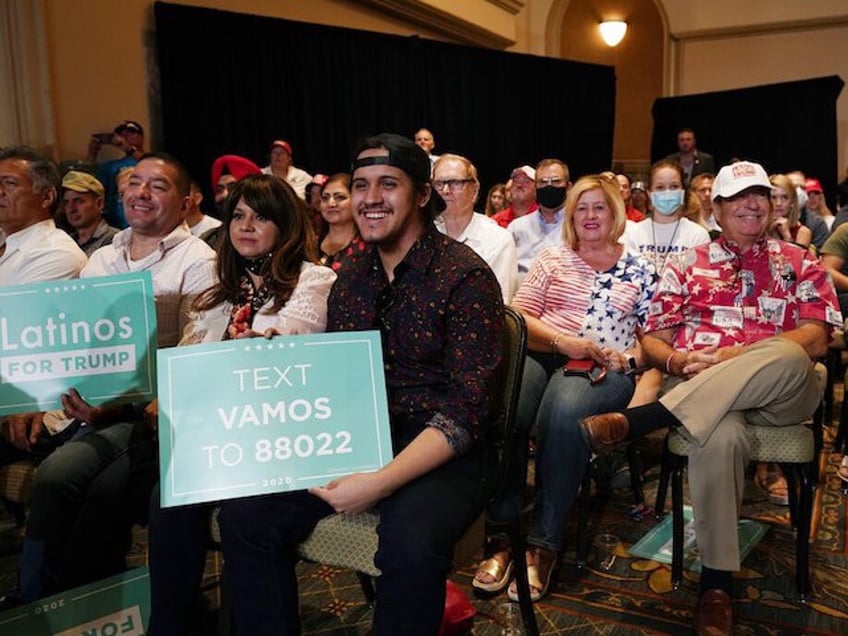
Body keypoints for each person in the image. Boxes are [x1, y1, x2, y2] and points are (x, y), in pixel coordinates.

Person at [217, 132, 505, 635]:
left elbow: (467, 413)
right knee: (247, 516)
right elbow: (335, 381)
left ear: (421, 194)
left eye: (388, 184)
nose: (371, 198)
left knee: (409, 545)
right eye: (362, 185)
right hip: (357, 435)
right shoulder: (350, 276)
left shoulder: (465, 277)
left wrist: (378, 481)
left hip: (445, 450)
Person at [581, 160, 841, 636]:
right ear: (716, 208)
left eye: (759, 194)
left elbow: (818, 337)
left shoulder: (800, 261)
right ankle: (716, 586)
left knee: (786, 353)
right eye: (738, 197)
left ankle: (644, 419)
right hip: (708, 401)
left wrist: (730, 357)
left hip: (782, 394)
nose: (751, 204)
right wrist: (678, 363)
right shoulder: (686, 265)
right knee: (716, 435)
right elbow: (654, 339)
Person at [4, 152, 217, 605]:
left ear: (185, 203)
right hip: (80, 406)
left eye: (158, 187)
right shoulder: (102, 258)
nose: (141, 193)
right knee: (72, 482)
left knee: (62, 478)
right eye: (134, 183)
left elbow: (194, 356)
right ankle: (58, 599)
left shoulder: (198, 261)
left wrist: (118, 404)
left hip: (144, 412)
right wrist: (37, 398)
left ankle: (57, 598)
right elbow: (69, 343)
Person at [146, 174, 337, 634]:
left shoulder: (315, 280)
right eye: (238, 216)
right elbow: (190, 359)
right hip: (227, 439)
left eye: (261, 216)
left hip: (287, 440)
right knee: (167, 496)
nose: (246, 226)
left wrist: (257, 347)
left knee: (243, 515)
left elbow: (294, 339)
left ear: (286, 225)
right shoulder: (217, 291)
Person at [473, 175, 656, 602]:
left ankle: (542, 545)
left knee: (562, 413)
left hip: (604, 368)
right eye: (581, 208)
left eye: (600, 207)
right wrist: (561, 342)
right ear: (570, 215)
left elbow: (653, 338)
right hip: (546, 351)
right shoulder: (551, 260)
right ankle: (503, 537)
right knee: (508, 408)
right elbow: (517, 320)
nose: (590, 216)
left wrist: (627, 359)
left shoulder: (641, 270)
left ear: (615, 213)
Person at [432, 154, 518, 302]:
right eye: (439, 183)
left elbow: (499, 303)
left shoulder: (498, 240)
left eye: (455, 183)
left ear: (474, 188)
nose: (445, 190)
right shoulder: (421, 234)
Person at [0, 147, 87, 286]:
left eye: (9, 183)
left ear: (46, 197)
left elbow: (16, 308)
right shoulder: (5, 240)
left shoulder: (56, 254)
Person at [508, 159, 569, 285]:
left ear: (568, 186)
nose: (549, 186)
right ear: (536, 187)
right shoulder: (517, 227)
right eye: (543, 182)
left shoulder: (580, 226)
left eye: (556, 181)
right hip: (523, 299)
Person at [86, 120, 146, 228]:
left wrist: (129, 148)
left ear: (141, 137)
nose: (126, 137)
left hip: (146, 220)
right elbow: (88, 181)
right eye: (122, 135)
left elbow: (148, 161)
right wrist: (92, 153)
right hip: (118, 225)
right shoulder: (111, 166)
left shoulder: (152, 161)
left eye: (130, 133)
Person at [60, 170, 119, 256]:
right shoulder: (66, 241)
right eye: (66, 202)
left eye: (79, 201)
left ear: (99, 204)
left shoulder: (116, 240)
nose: (71, 209)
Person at [317, 172, 367, 271]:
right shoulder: (309, 244)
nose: (331, 203)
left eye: (340, 197)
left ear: (356, 200)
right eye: (325, 198)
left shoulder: (369, 248)